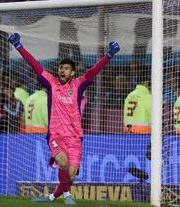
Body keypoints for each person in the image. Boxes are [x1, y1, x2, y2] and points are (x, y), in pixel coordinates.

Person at [8, 33, 120, 204]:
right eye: (61, 67)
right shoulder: (51, 83)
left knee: (72, 173)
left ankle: (53, 196)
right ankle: (66, 195)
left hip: (75, 137)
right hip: (56, 135)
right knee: (62, 160)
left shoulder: (78, 85)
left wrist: (109, 55)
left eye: (66, 68)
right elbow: (35, 66)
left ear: (72, 72)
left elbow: (93, 71)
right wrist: (19, 46)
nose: (62, 70)